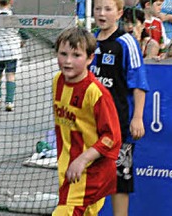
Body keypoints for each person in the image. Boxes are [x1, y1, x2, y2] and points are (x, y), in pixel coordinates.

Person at [51, 26, 122, 216]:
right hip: (69, 170)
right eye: (63, 54)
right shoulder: (57, 81)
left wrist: (82, 159)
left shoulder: (95, 93)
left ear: (90, 58)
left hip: (89, 173)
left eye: (76, 55)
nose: (67, 61)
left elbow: (111, 137)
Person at [90, 0, 149, 216]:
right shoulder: (90, 40)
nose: (101, 14)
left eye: (107, 9)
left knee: (120, 178)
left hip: (118, 123)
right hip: (92, 122)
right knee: (89, 176)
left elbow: (139, 82)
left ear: (119, 13)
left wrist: (137, 117)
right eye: (97, 9)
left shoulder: (126, 42)